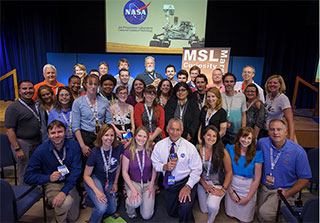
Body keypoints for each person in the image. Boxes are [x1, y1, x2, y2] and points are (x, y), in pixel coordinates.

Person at [24, 120, 82, 223]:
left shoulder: (74, 146)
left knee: (73, 217)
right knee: (65, 203)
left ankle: (54, 204)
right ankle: (59, 220)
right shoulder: (41, 150)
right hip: (51, 183)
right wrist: (48, 178)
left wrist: (64, 192)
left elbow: (76, 170)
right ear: (48, 135)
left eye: (60, 132)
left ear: (65, 132)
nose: (57, 135)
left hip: (69, 181)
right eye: (53, 133)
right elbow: (28, 177)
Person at [256, 119, 311, 222]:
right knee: (260, 217)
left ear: (286, 132)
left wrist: (288, 193)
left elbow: (305, 178)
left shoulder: (298, 152)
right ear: (268, 131)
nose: (275, 132)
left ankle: (286, 213)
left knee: (264, 213)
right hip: (264, 188)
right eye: (272, 129)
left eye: (279, 129)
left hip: (283, 190)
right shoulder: (262, 143)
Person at [72, 74, 113, 207]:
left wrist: (113, 135)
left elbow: (109, 122)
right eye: (90, 84)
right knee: (87, 168)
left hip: (101, 137)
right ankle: (86, 194)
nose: (93, 86)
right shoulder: (78, 102)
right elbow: (75, 126)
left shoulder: (104, 101)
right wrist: (82, 145)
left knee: (100, 166)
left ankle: (99, 192)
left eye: (95, 84)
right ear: (85, 85)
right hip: (85, 138)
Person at [151, 118, 202, 222]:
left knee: (185, 207)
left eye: (178, 130)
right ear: (167, 129)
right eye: (172, 129)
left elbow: (197, 169)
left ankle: (186, 211)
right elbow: (154, 163)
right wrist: (164, 167)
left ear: (182, 130)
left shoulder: (190, 147)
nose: (175, 133)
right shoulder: (159, 146)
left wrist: (188, 186)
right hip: (170, 182)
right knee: (172, 212)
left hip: (185, 181)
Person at [83, 124, 124, 223]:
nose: (109, 138)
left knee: (111, 210)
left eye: (112, 135)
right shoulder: (94, 152)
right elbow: (86, 175)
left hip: (109, 181)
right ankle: (92, 221)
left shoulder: (119, 147)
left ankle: (89, 198)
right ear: (101, 136)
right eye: (106, 135)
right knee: (102, 207)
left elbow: (119, 166)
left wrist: (115, 183)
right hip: (95, 179)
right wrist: (97, 191)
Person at [5, 80, 41, 185]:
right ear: (19, 91)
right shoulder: (13, 108)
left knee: (35, 167)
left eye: (30, 88)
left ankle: (35, 190)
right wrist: (17, 148)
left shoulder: (35, 104)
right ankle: (25, 193)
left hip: (37, 141)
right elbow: (9, 130)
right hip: (22, 143)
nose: (28, 91)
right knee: (24, 170)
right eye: (24, 89)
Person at [224, 127, 263, 223]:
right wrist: (231, 192)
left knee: (245, 220)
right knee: (230, 215)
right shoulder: (230, 149)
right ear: (238, 137)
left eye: (249, 138)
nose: (246, 140)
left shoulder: (257, 154)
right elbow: (226, 172)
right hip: (232, 184)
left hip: (248, 187)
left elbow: (257, 178)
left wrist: (248, 197)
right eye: (243, 137)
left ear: (253, 140)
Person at [197, 125, 232, 223]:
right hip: (202, 183)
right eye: (208, 135)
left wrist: (223, 189)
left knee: (212, 206)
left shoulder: (222, 151)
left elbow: (229, 172)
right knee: (204, 209)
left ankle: (210, 220)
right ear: (203, 136)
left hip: (217, 184)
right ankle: (212, 199)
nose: (211, 138)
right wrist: (205, 186)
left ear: (217, 138)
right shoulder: (197, 149)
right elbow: (194, 171)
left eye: (214, 136)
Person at [122, 126, 156, 219]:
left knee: (146, 216)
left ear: (147, 138)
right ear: (135, 136)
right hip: (133, 182)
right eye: (139, 136)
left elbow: (154, 169)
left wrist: (152, 184)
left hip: (147, 183)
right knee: (135, 202)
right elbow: (124, 172)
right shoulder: (128, 152)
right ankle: (129, 208)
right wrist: (132, 189)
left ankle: (142, 201)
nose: (142, 139)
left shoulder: (150, 150)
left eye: (144, 137)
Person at [261, 75, 294, 141]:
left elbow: (290, 120)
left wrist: (291, 137)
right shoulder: (268, 96)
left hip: (274, 132)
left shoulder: (283, 98)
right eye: (270, 83)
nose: (272, 84)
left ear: (280, 85)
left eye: (275, 83)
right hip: (264, 130)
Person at [221, 73, 247, 145]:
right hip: (223, 132)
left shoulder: (241, 96)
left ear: (235, 83)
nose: (229, 84)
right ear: (223, 83)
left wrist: (243, 130)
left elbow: (243, 114)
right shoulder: (219, 96)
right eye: (226, 81)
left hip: (236, 132)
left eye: (231, 81)